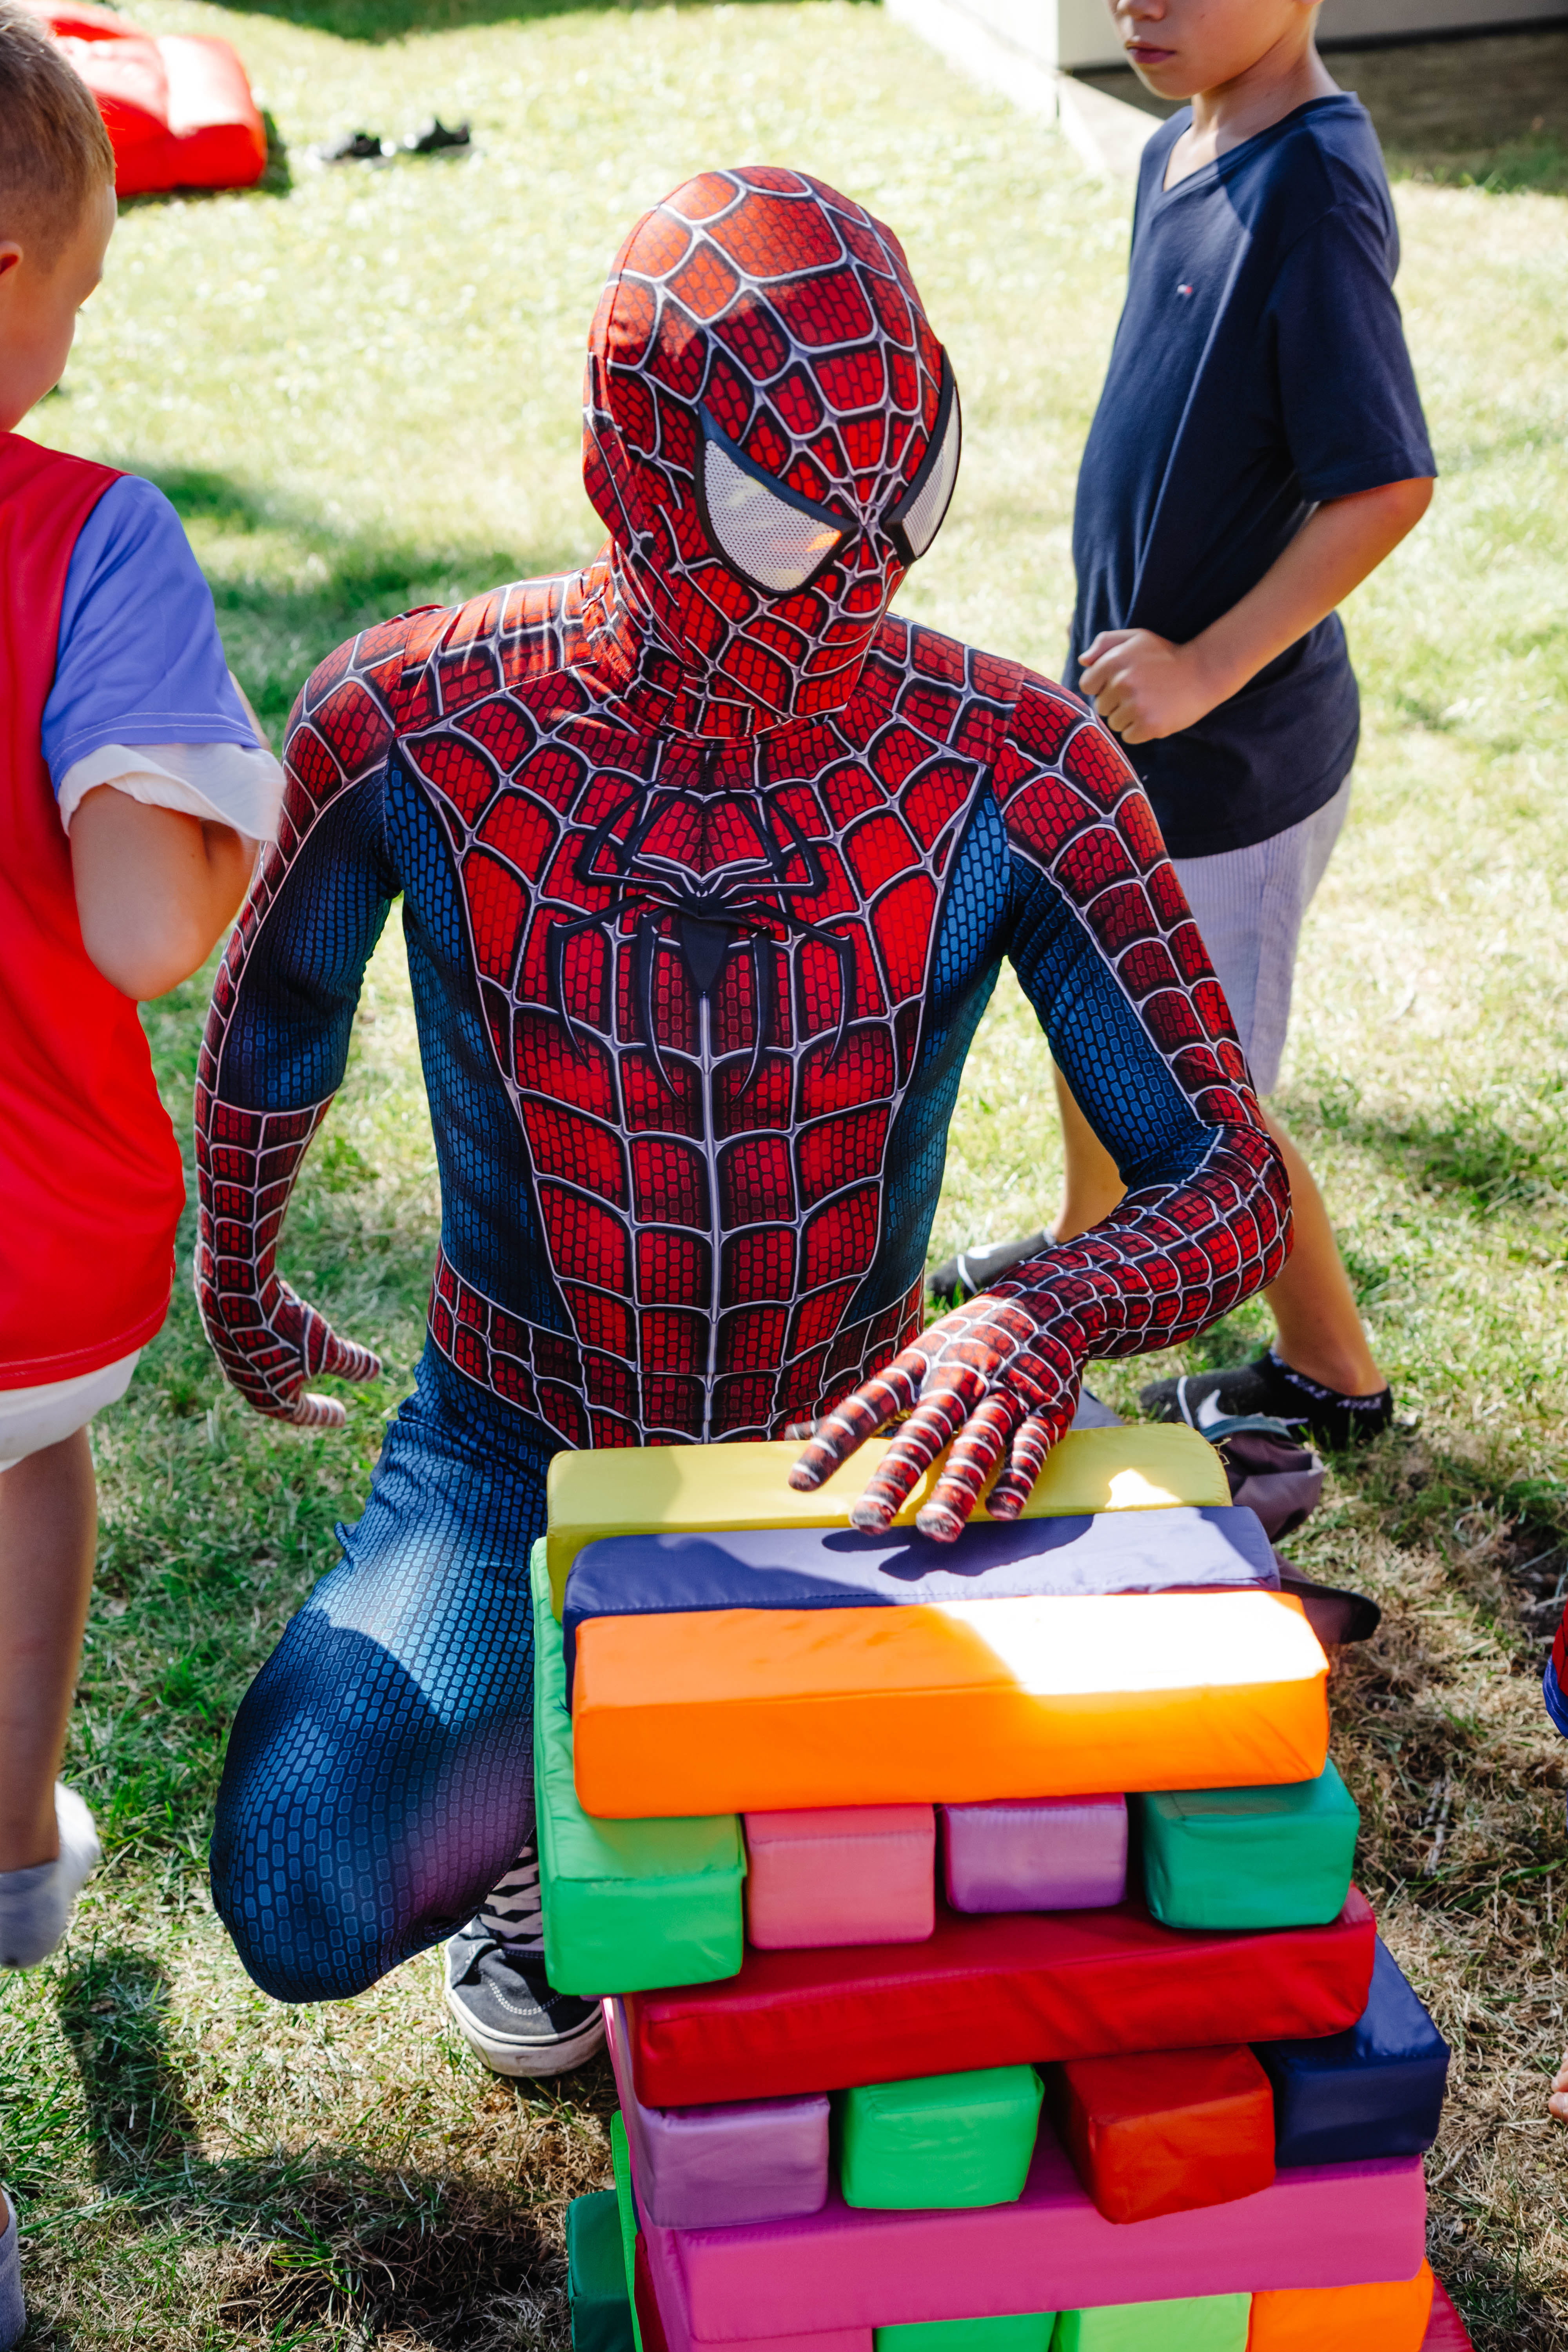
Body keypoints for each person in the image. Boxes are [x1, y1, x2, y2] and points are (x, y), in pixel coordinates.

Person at [194, 163, 1289, 2080]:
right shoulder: (420, 723)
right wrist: (237, 1259)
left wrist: (1043, 1315)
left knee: (984, 1922)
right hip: (516, 1436)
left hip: (860, 1446)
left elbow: (1228, 1171)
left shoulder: (1010, 766)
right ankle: (559, 1821)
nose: (857, 573)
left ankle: (704, 1808)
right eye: (787, 517)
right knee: (304, 1880)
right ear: (628, 470)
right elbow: (276, 1006)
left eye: (903, 500)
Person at [935, 0, 1435, 1456]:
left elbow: (1385, 484)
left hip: (1232, 758)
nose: (1135, 2)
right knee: (1092, 997)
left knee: (1209, 1099)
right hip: (1129, 731)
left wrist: (1206, 667)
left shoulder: (1315, 189)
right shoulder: (1181, 145)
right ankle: (1084, 1251)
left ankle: (1331, 1370)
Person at [0, 10, 281, 2328]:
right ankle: (11, 1843)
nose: (80, 347)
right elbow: (136, 928)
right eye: (82, 295)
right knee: (29, 1461)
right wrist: (225, 821)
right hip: (27, 1259)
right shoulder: (88, 535)